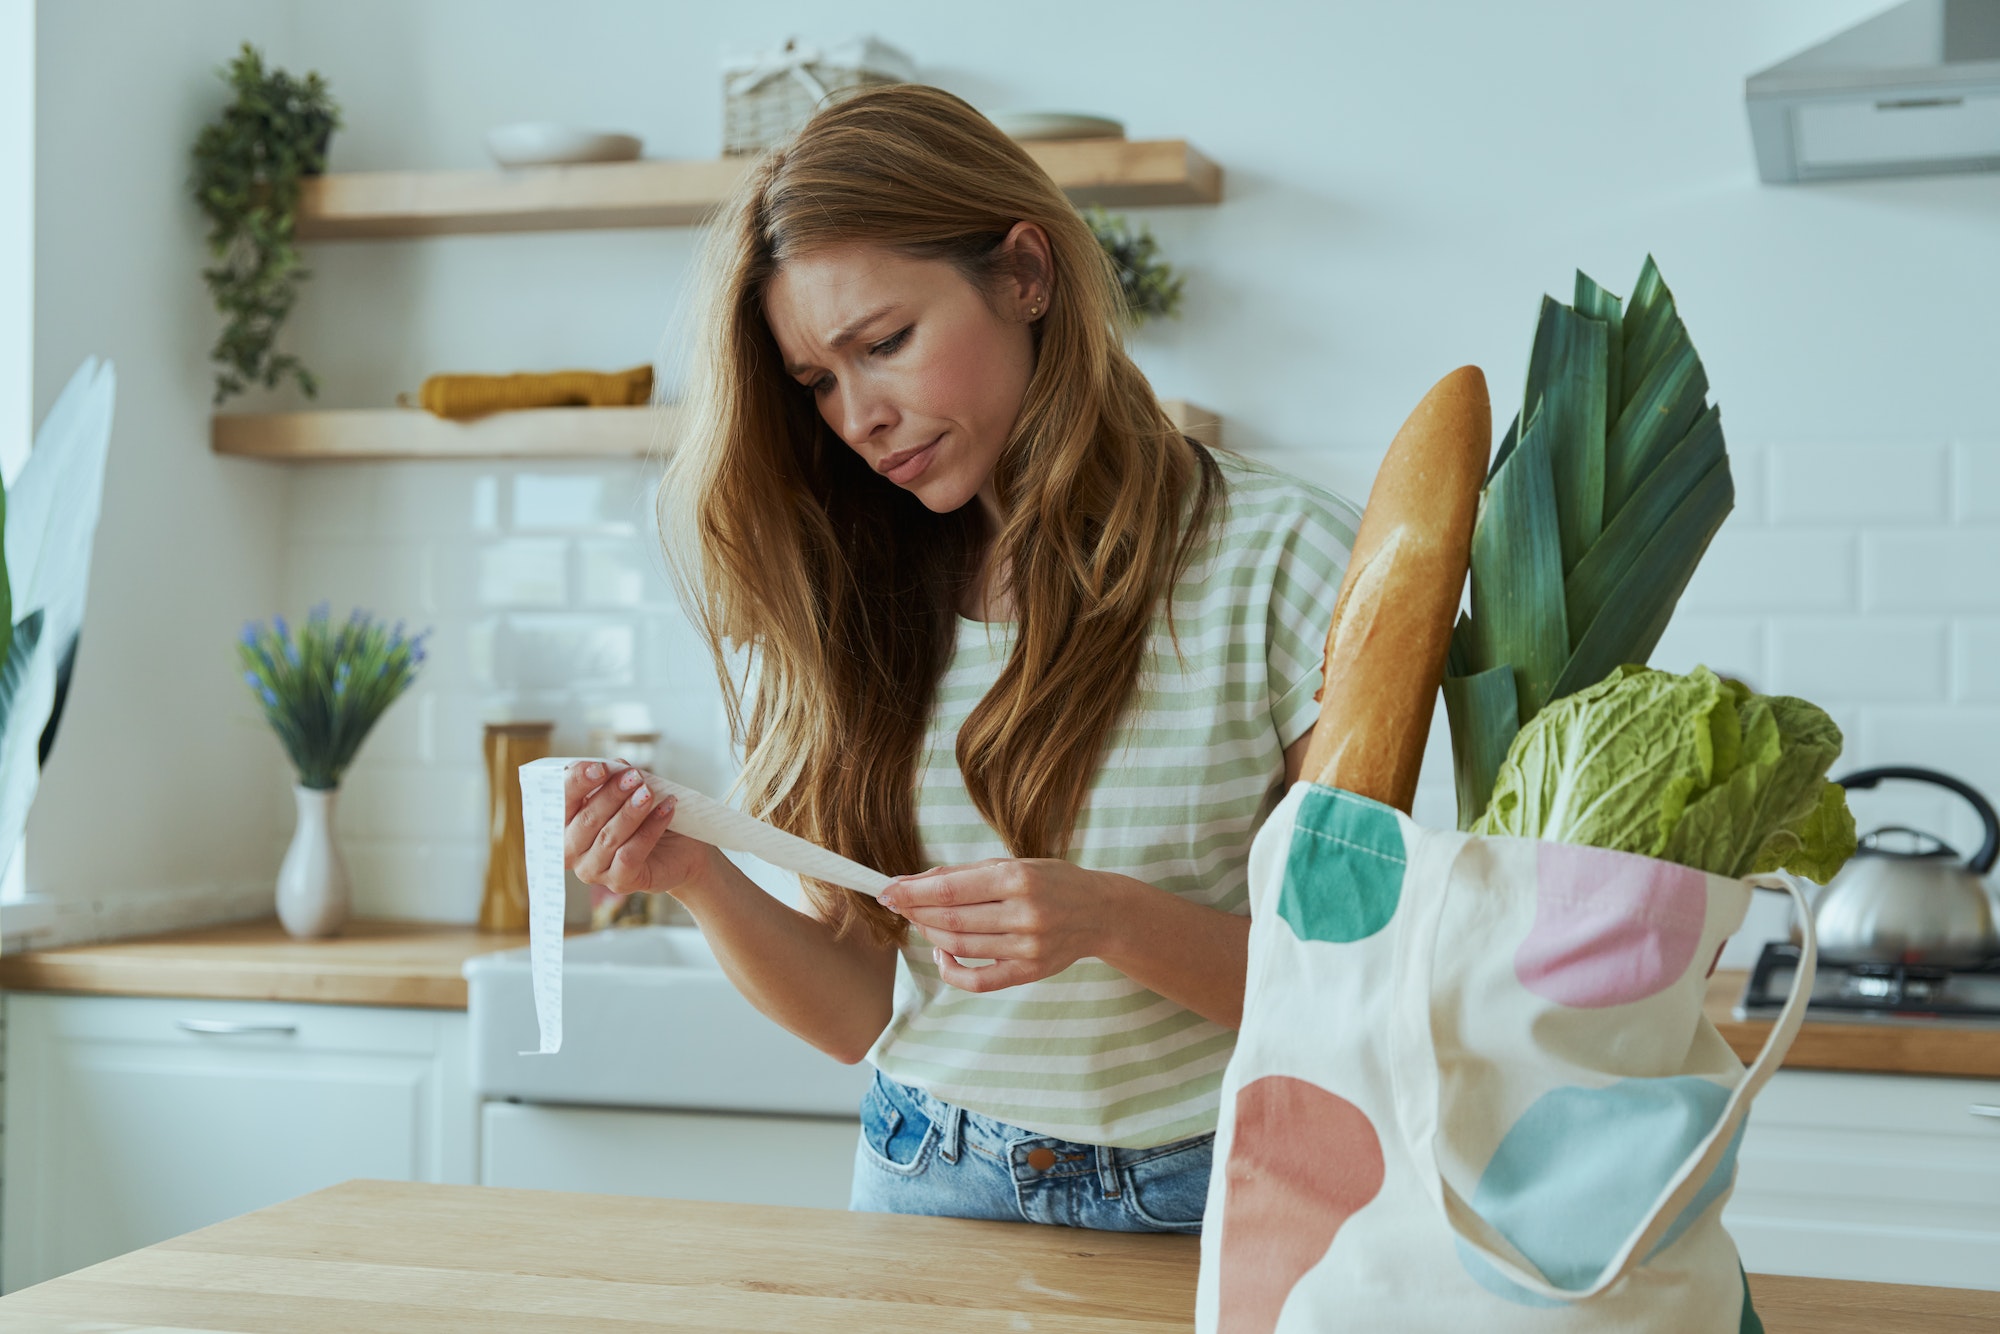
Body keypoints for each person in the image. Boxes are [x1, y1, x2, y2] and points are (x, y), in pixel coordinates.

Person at [563, 84, 1357, 1234]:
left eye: (882, 343)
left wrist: (1110, 920)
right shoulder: (852, 589)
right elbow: (849, 1008)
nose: (857, 417)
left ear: (1024, 274)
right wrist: (693, 869)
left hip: (1221, 1191)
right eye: (816, 383)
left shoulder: (1287, 558)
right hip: (924, 1176)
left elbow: (1350, 983)